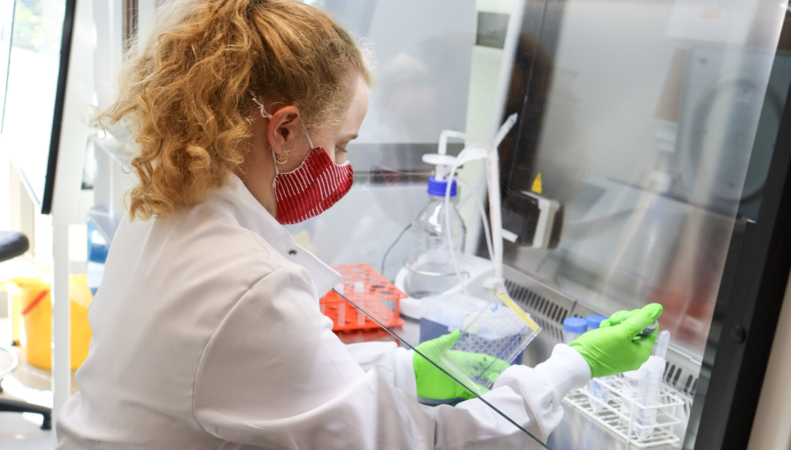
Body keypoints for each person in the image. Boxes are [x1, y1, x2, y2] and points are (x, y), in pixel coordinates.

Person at [55, 0, 663, 448]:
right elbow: (420, 443)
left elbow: (280, 379)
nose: (343, 166)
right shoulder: (245, 285)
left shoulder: (165, 209)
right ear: (284, 130)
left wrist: (402, 369)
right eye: (343, 144)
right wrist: (572, 367)